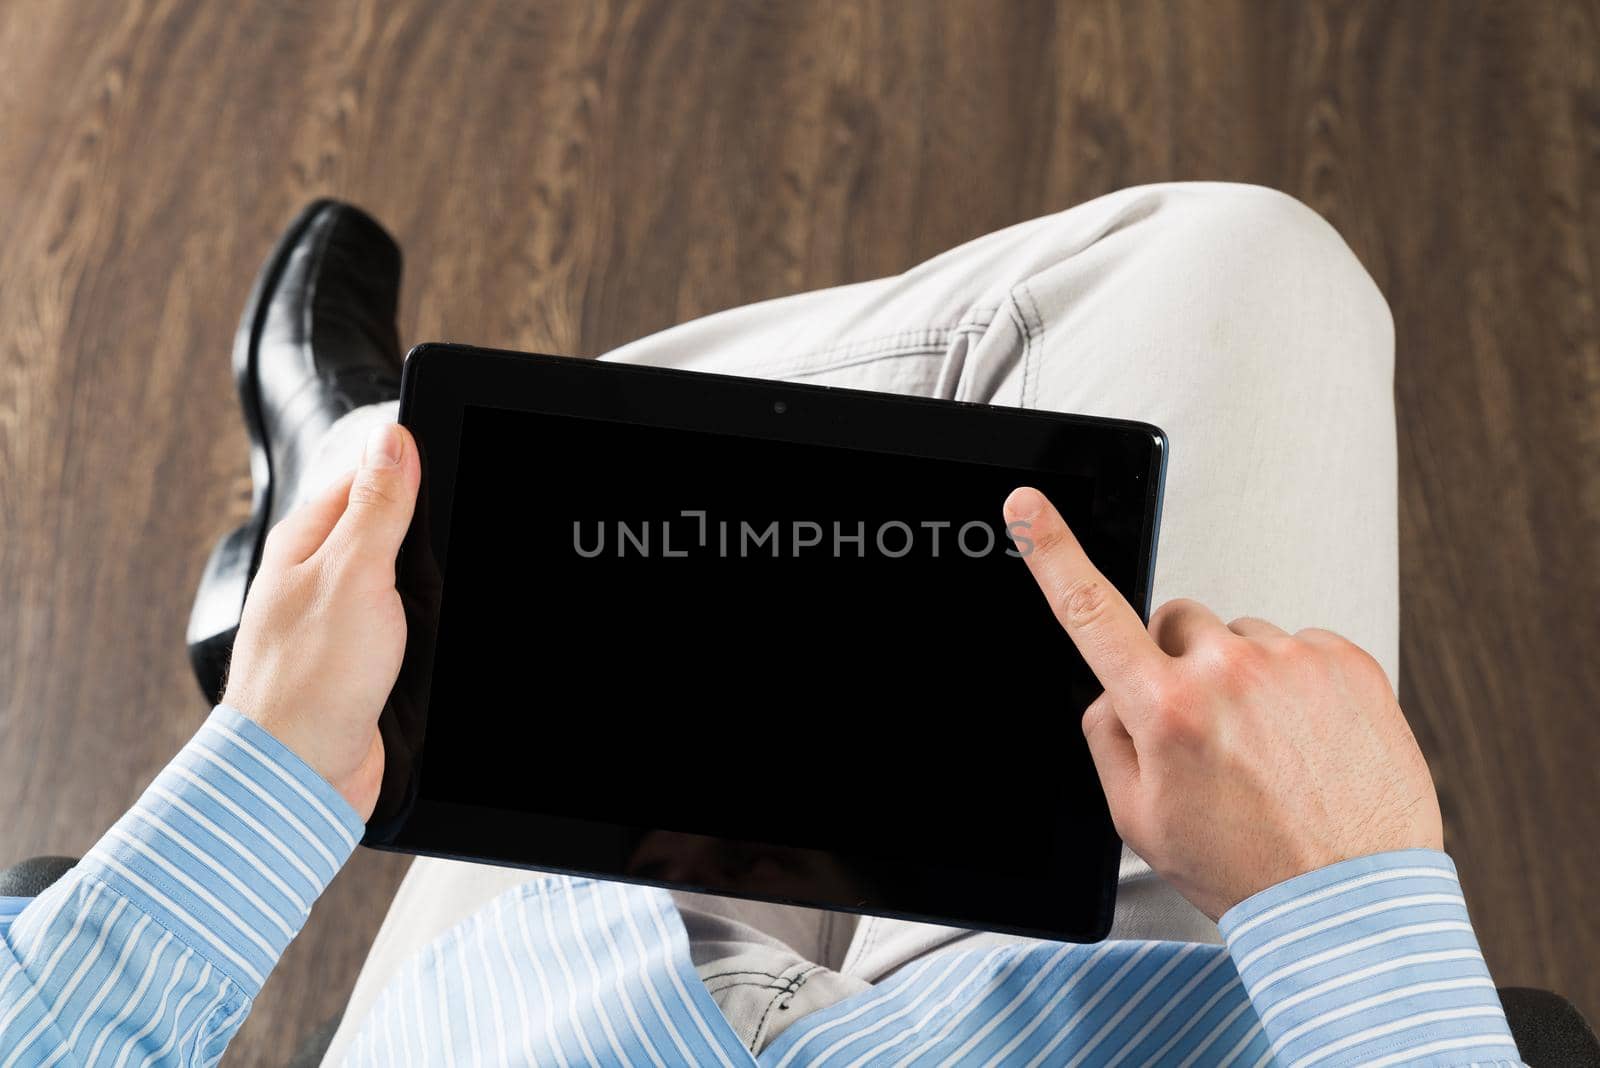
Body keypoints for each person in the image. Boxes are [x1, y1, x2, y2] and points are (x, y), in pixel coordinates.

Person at [0, 187, 1524, 1067]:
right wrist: (1354, 906)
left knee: (512, 541)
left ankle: (360, 487)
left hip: (544, 1027)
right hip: (1139, 1022)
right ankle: (364, 486)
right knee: (1249, 267)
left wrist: (265, 768)